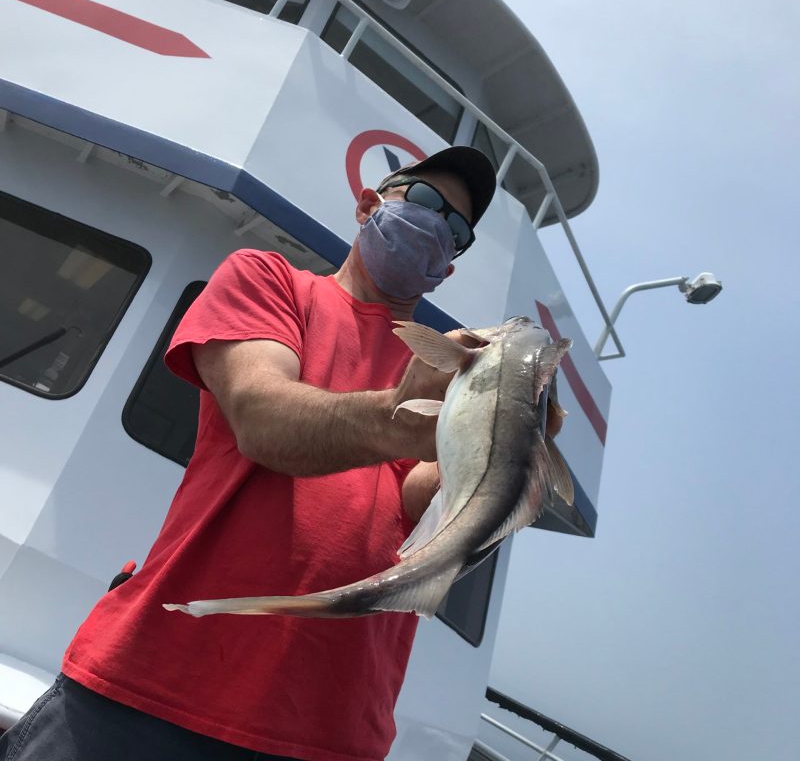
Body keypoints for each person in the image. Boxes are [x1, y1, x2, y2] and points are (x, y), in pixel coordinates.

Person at [0, 146, 496, 761]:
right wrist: (405, 413)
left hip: (330, 735)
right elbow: (262, 419)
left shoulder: (440, 382)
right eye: (423, 201)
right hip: (148, 692)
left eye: (456, 230)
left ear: (448, 269)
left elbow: (432, 518)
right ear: (369, 203)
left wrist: (498, 444)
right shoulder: (270, 281)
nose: (435, 227)